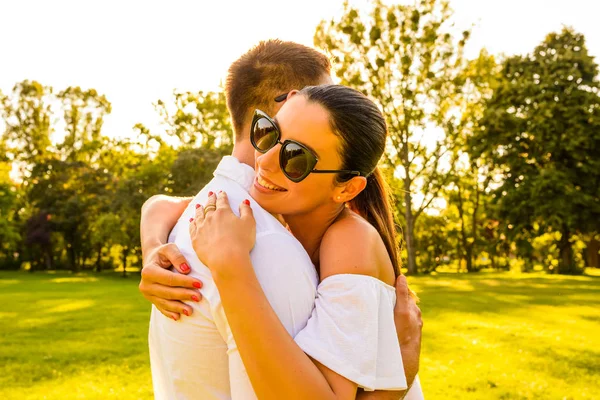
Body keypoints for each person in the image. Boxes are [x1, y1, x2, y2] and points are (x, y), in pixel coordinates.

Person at [139, 40, 423, 400]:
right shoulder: (246, 217)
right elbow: (162, 204)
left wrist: (404, 365)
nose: (266, 162)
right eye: (269, 133)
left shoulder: (332, 240)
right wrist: (151, 243)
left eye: (296, 157)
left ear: (346, 188)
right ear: (287, 101)